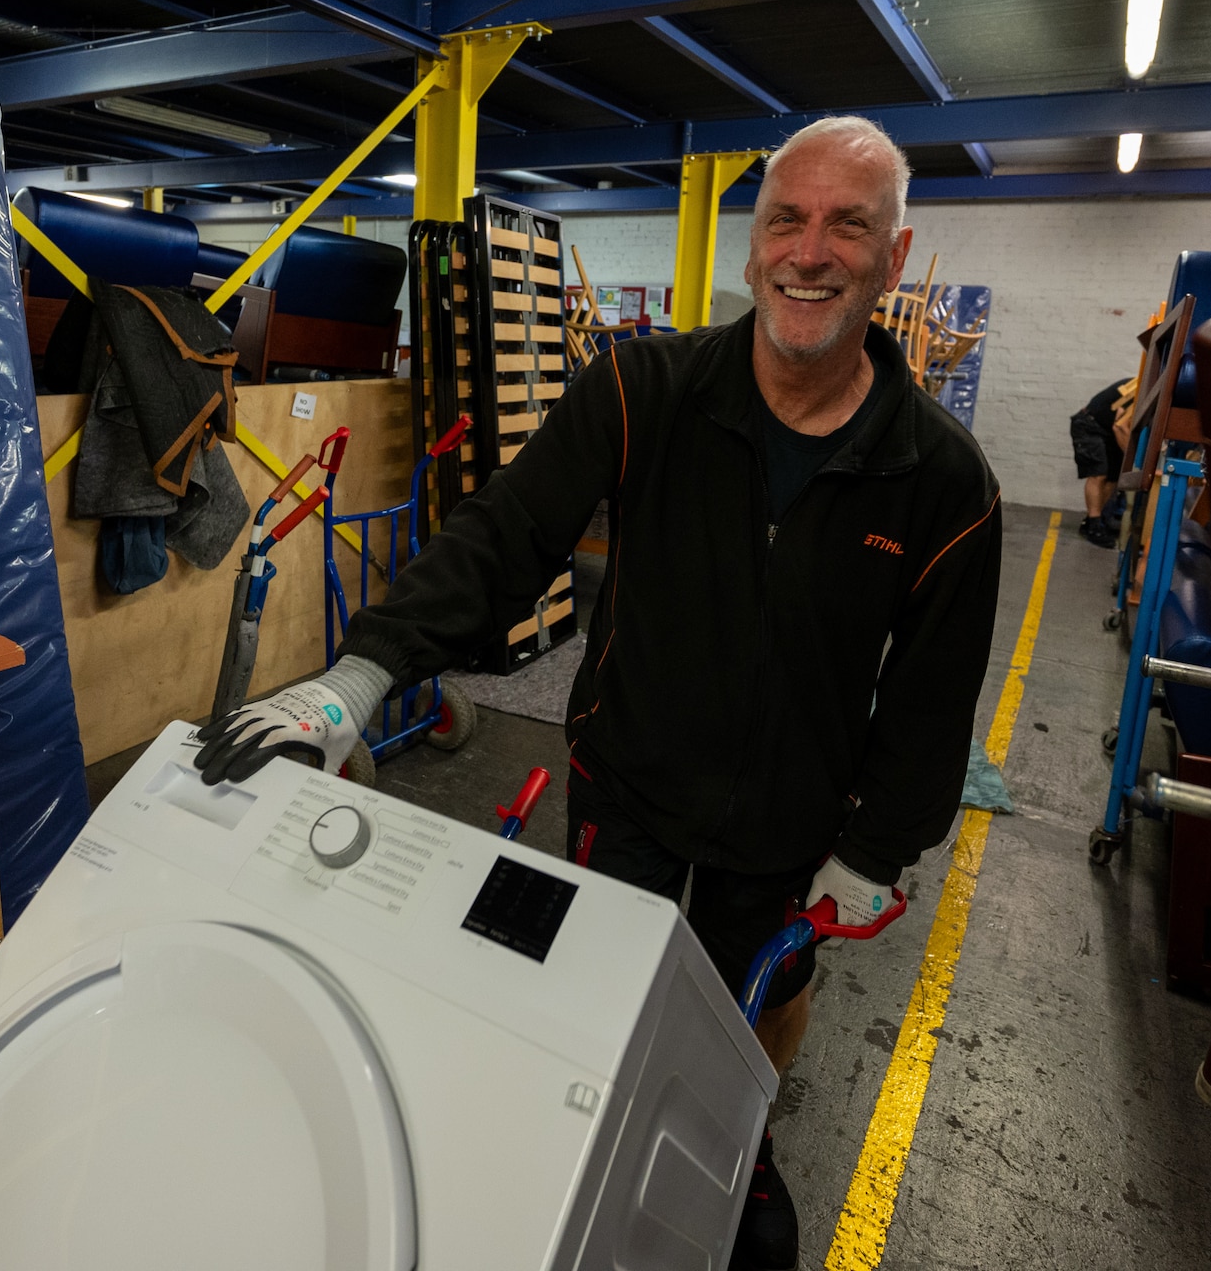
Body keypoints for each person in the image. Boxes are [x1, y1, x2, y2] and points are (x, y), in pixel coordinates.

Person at [194, 116, 1002, 1271]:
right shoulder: (645, 388)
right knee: (593, 980)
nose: (808, 250)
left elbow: (931, 697)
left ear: (891, 251)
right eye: (785, 217)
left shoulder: (941, 480)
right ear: (751, 242)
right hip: (627, 771)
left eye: (846, 225)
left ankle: (739, 1135)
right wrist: (355, 680)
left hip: (790, 812)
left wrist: (879, 846)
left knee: (751, 1003)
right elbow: (504, 535)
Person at [1069, 380, 1130, 548]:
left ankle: (1091, 522)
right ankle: (1094, 528)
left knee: (1112, 478)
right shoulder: (1139, 387)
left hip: (1107, 430)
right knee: (1098, 474)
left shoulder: (1149, 389)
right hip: (1090, 424)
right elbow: (1121, 426)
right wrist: (1131, 458)